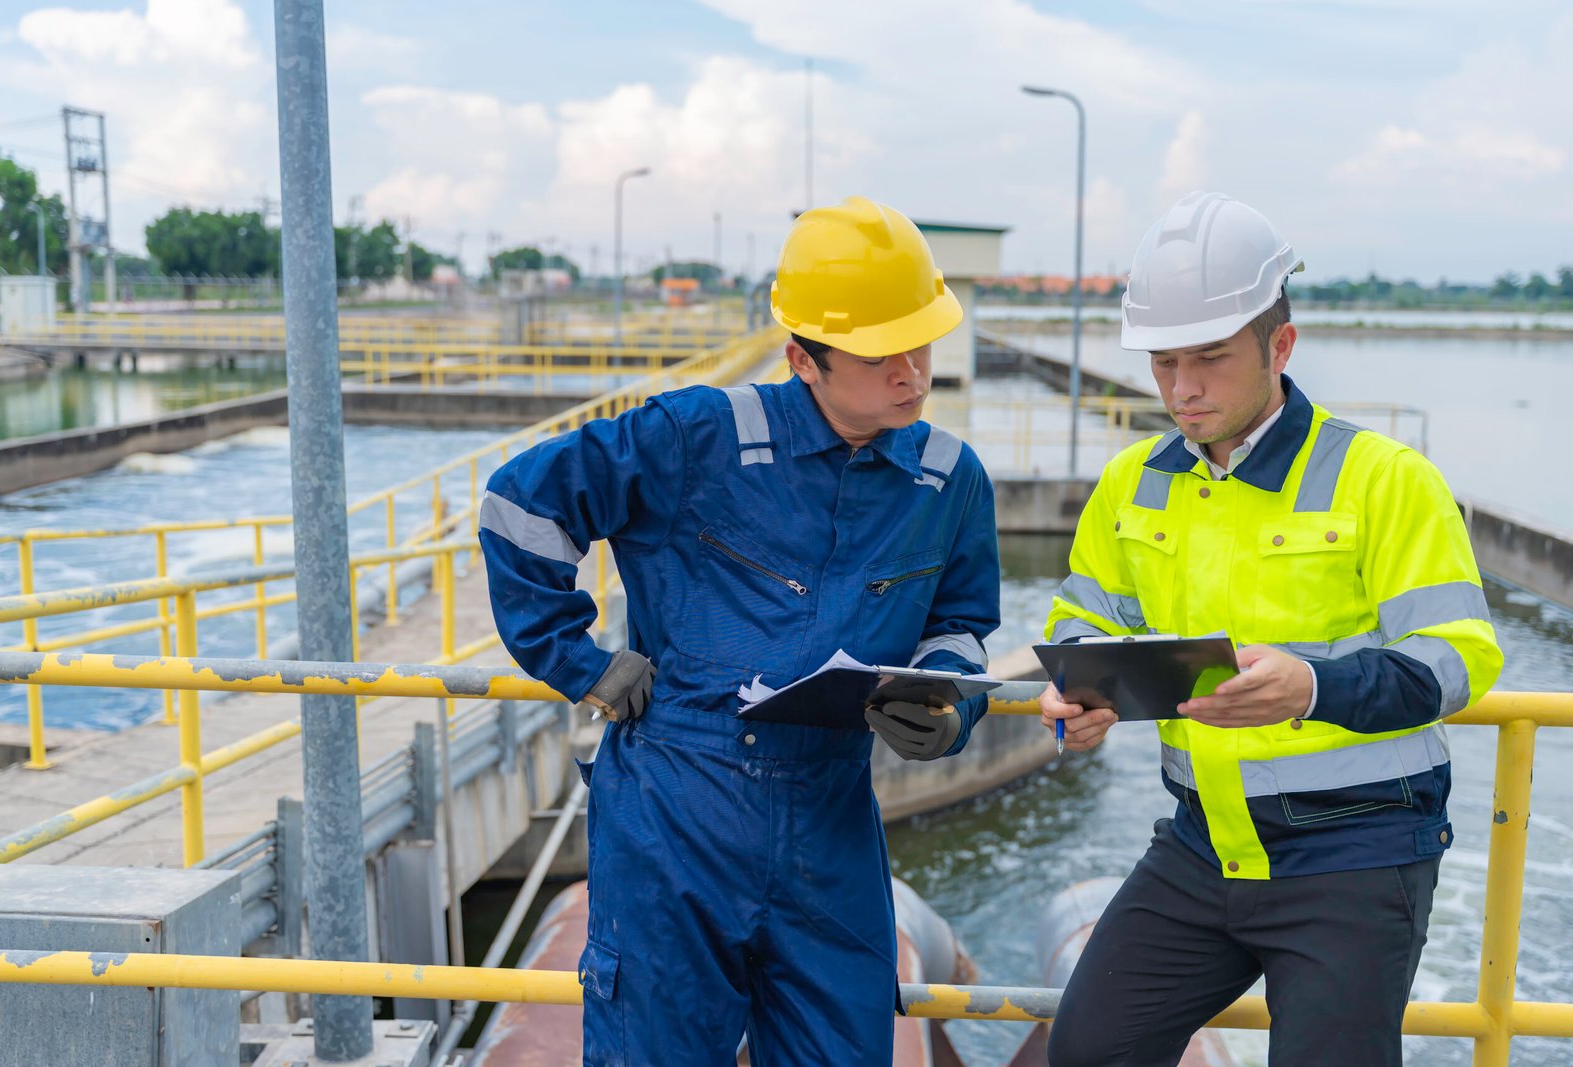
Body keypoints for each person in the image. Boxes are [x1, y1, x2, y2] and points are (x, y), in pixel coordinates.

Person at [478, 195, 1000, 1066]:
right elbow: (518, 507)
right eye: (881, 355)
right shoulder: (695, 438)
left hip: (829, 823)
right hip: (676, 815)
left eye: (923, 341)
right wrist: (580, 663)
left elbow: (962, 623)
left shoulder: (949, 479)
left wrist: (947, 707)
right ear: (804, 358)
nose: (912, 370)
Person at [1040, 191, 1503, 1067]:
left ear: (1279, 346)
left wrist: (1315, 686)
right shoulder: (1133, 481)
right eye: (1164, 362)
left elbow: (1458, 659)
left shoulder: (1387, 480)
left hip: (1358, 853)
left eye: (1209, 359)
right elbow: (1085, 615)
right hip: (1201, 843)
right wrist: (1080, 689)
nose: (1182, 388)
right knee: (1091, 1049)